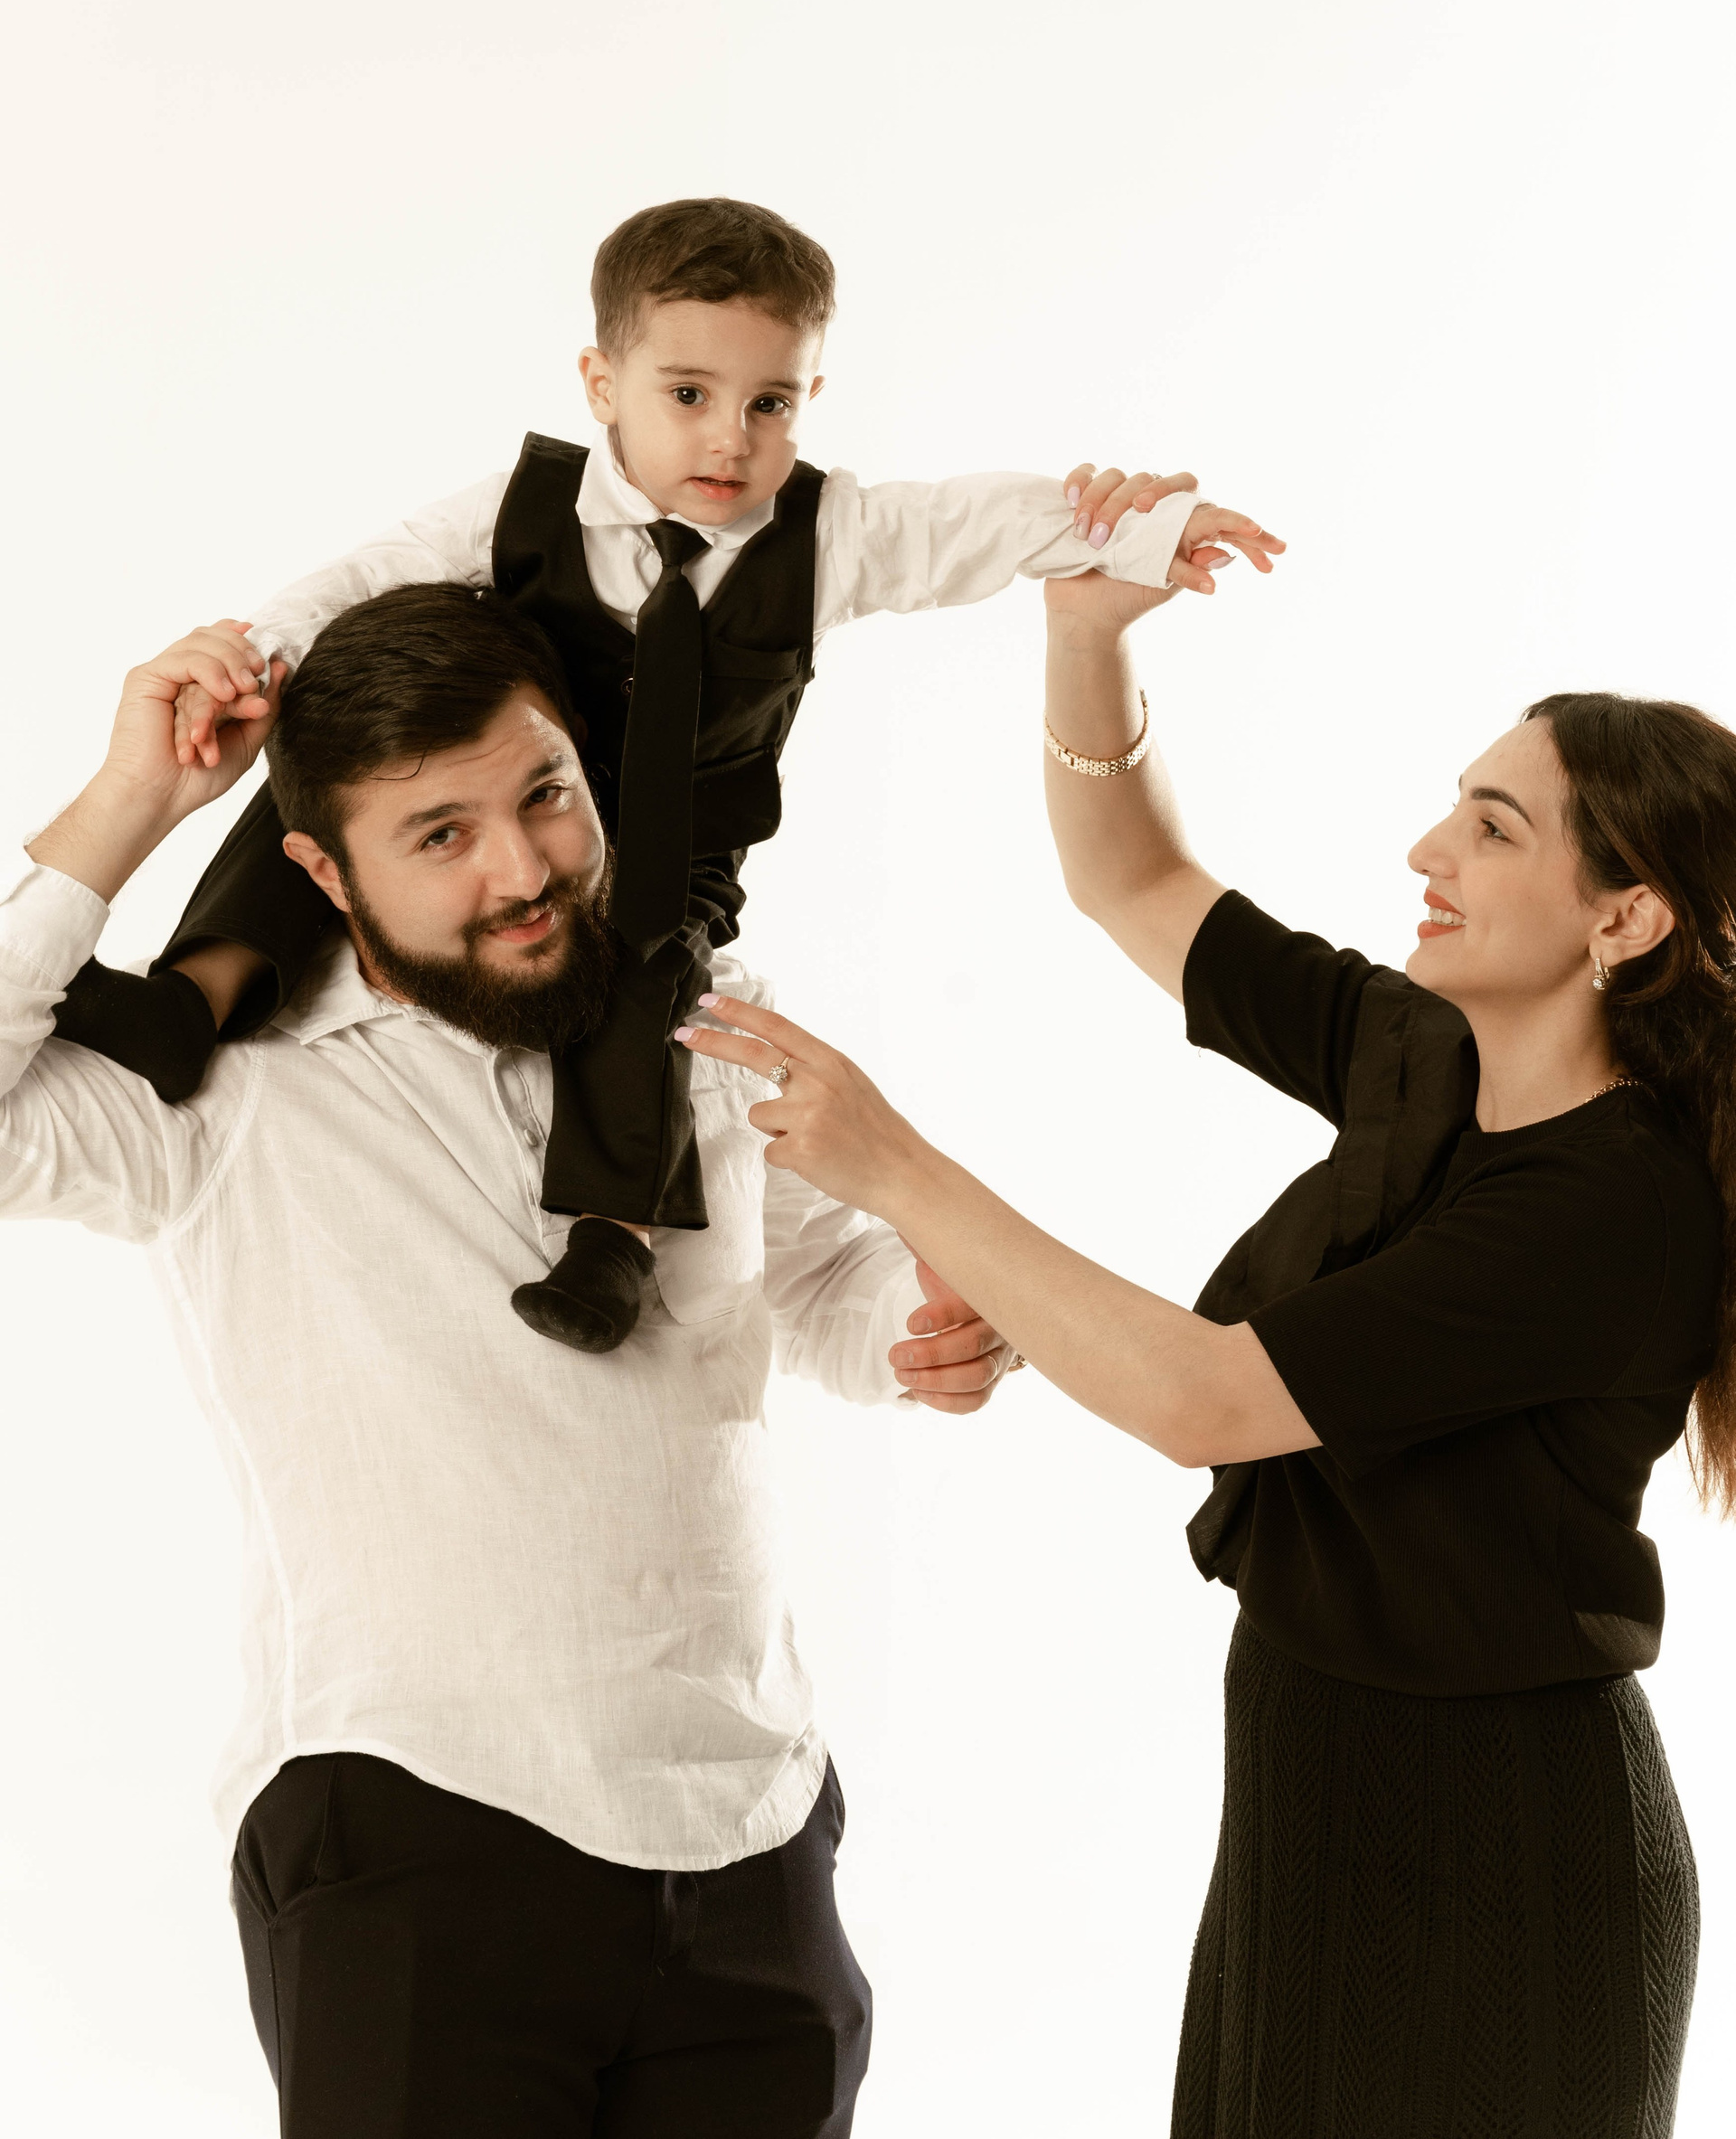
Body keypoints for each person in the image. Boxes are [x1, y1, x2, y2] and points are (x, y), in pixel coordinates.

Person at [681, 561, 1734, 2134]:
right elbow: (1133, 877)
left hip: (1504, 1849)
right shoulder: (1425, 1055)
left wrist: (895, 1168)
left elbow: (1205, 1400)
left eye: (1495, 829)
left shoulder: (1613, 1207)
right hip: (1319, 1799)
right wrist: (1086, 631)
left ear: (1627, 917)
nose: (1428, 851)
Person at [5, 582, 1020, 2137]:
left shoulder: (706, 1014)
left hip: (750, 1831)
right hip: (418, 1824)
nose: (525, 869)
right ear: (322, 870)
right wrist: (127, 801)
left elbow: (814, 1279)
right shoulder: (220, 1092)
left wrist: (929, 1327)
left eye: (545, 795)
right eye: (441, 835)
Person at [48, 193, 1277, 1354]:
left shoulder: (829, 531)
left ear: (810, 399)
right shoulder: (521, 509)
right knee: (309, 794)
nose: (730, 439)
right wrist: (251, 656)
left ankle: (613, 1236)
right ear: (603, 384)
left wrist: (1147, 528)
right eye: (689, 394)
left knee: (651, 988)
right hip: (537, 810)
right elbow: (365, 577)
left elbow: (971, 523)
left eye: (770, 403)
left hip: (676, 845)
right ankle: (196, 997)